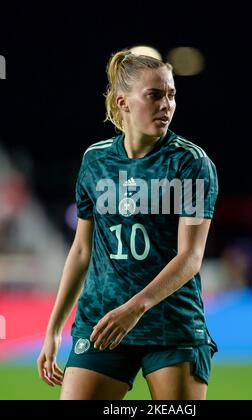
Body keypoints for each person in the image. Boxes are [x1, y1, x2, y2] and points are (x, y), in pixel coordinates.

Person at [37, 49, 219, 400]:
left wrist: (133, 309)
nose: (166, 104)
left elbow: (190, 257)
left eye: (171, 95)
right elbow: (81, 250)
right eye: (155, 95)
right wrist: (54, 328)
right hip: (102, 323)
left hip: (171, 325)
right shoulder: (96, 160)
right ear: (123, 101)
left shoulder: (191, 163)